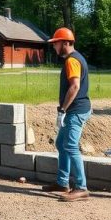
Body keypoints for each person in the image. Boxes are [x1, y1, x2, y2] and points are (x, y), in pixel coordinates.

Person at [41, 27, 92, 202]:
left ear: (65, 43)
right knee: (61, 143)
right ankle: (63, 183)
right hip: (74, 109)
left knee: (70, 146)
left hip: (76, 110)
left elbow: (75, 86)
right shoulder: (74, 59)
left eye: (56, 43)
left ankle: (81, 187)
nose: (54, 47)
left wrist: (63, 109)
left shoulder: (72, 61)